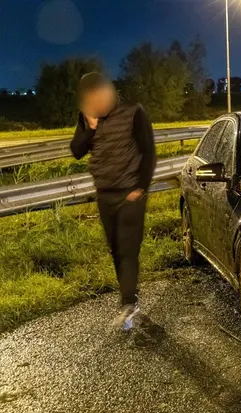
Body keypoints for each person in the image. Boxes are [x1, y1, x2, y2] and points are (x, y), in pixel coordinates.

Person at [70, 73, 156, 330]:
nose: (97, 103)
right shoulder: (87, 118)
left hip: (130, 193)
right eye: (91, 100)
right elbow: (77, 151)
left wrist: (140, 188)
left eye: (100, 97)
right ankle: (130, 299)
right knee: (116, 249)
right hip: (104, 193)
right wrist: (90, 128)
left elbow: (148, 150)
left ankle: (128, 302)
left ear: (109, 92)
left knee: (128, 249)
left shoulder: (133, 112)